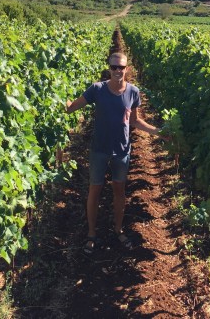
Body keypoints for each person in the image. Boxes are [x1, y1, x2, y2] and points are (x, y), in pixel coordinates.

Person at [66, 52, 162, 254]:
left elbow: (135, 121)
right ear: (109, 69)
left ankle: (118, 229)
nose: (118, 70)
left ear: (127, 69)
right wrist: (62, 103)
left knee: (119, 191)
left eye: (121, 67)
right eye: (114, 67)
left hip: (122, 151)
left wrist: (158, 132)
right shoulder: (97, 89)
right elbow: (73, 107)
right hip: (99, 150)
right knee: (95, 190)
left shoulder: (133, 92)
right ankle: (91, 233)